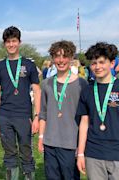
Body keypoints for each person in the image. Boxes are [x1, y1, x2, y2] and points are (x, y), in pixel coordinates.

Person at [76, 42, 119, 179]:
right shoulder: (87, 90)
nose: (97, 67)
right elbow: (84, 123)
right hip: (93, 154)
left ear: (112, 63)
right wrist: (81, 154)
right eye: (94, 63)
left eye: (102, 62)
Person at [0, 26, 41, 180]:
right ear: (4, 44)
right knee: (9, 154)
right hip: (4, 117)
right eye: (8, 42)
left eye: (14, 41)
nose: (11, 44)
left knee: (26, 153)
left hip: (24, 116)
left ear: (19, 42)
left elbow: (37, 91)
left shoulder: (29, 65)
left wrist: (37, 116)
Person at [38, 40, 87, 180]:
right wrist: (41, 137)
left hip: (70, 143)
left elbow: (85, 118)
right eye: (57, 56)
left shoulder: (81, 84)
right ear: (52, 59)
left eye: (65, 56)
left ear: (71, 58)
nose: (61, 60)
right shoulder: (46, 83)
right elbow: (43, 113)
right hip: (50, 142)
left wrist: (81, 146)